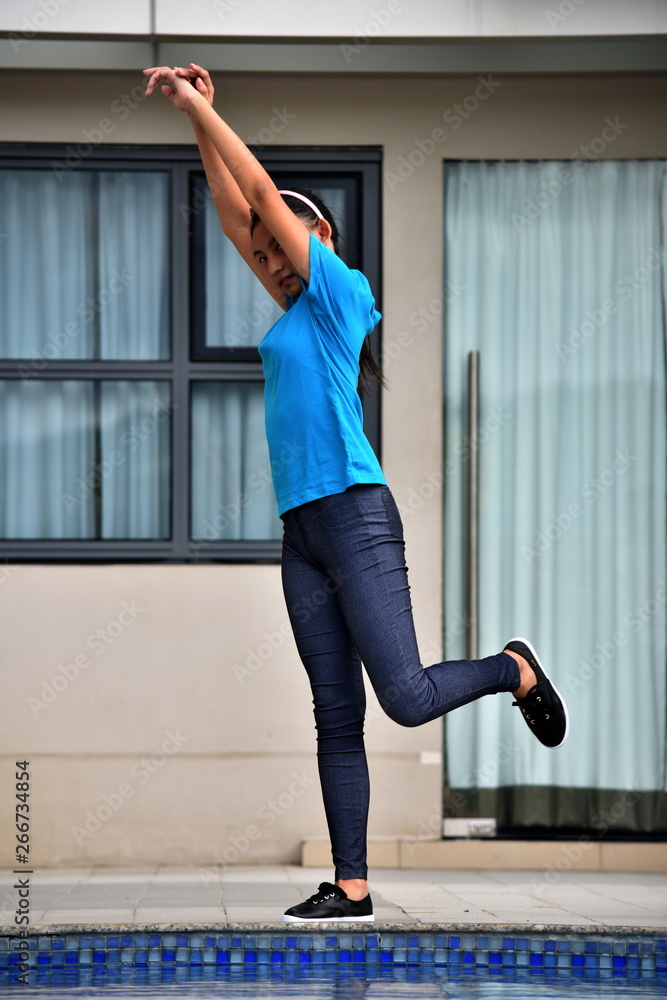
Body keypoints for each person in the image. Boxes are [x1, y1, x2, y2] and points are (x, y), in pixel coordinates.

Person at [143, 63, 570, 923]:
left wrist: (197, 106)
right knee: (333, 714)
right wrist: (202, 123)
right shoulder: (292, 309)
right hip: (302, 531)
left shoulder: (343, 295)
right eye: (262, 253)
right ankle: (352, 885)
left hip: (356, 514)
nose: (264, 256)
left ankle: (509, 669)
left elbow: (257, 194)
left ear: (320, 235)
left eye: (278, 243)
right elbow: (239, 218)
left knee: (405, 699)